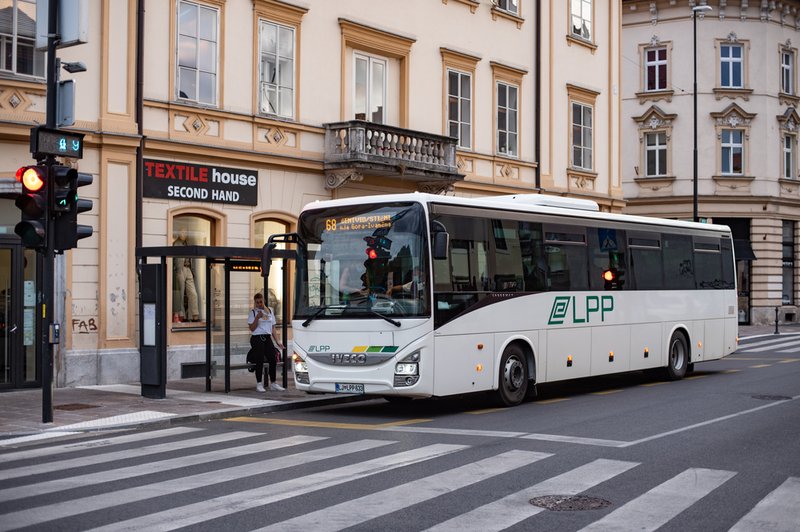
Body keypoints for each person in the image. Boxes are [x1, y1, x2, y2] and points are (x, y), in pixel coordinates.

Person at [247, 292, 285, 392]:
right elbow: (252, 328)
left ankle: (273, 383)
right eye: (257, 302)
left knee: (272, 358)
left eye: (260, 302)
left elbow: (273, 328)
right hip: (257, 338)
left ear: (264, 301)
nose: (259, 304)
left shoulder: (270, 311)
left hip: (267, 337)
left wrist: (277, 342)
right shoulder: (253, 312)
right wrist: (257, 318)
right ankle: (259, 383)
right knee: (259, 359)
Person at [173, 228, 199, 322]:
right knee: (180, 293)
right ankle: (181, 315)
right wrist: (175, 270)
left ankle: (195, 314)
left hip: (188, 269)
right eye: (182, 232)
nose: (183, 234)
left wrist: (193, 271)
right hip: (180, 269)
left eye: (185, 232)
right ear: (179, 233)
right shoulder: (176, 243)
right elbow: (174, 258)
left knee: (193, 293)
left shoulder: (188, 243)